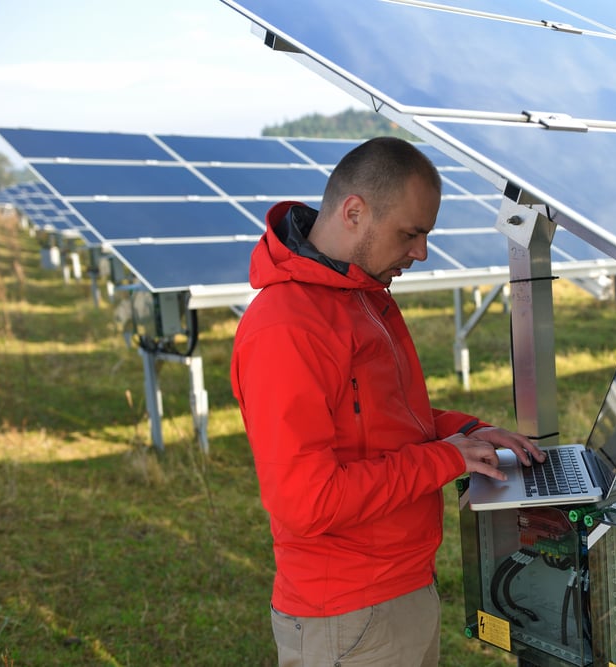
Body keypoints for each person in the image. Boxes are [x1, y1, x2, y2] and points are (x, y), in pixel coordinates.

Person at [230, 136, 546, 667]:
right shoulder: (287, 327)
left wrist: (468, 433)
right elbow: (307, 502)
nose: (420, 252)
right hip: (349, 615)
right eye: (411, 233)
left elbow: (388, 421)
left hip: (393, 592)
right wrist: (448, 457)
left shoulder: (356, 296)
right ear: (354, 212)